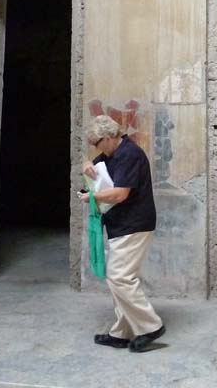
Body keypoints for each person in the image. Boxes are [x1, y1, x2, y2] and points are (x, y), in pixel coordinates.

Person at [80, 114, 165, 353]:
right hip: (121, 224)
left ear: (108, 138)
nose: (95, 149)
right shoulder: (112, 154)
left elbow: (120, 194)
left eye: (96, 144)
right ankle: (122, 333)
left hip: (134, 224)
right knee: (120, 278)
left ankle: (151, 326)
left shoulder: (129, 154)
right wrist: (87, 165)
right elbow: (94, 168)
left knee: (119, 277)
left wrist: (92, 197)